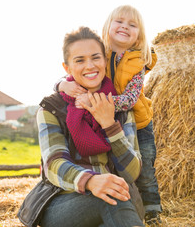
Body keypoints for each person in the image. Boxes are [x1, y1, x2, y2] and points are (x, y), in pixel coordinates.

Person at [54, 5, 162, 225]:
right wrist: (62, 84)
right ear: (108, 26)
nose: (125, 27)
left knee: (146, 167)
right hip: (102, 113)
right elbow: (73, 73)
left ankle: (152, 209)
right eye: (119, 22)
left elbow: (131, 99)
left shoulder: (139, 60)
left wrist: (99, 104)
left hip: (136, 119)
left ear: (139, 35)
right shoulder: (98, 52)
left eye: (132, 25)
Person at [37, 26, 145, 227]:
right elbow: (53, 163)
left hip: (117, 201)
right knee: (111, 199)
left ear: (105, 60)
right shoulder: (51, 108)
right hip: (63, 203)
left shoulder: (121, 107)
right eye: (79, 60)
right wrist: (91, 181)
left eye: (96, 57)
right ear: (67, 68)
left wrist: (109, 124)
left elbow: (132, 172)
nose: (90, 66)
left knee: (112, 203)